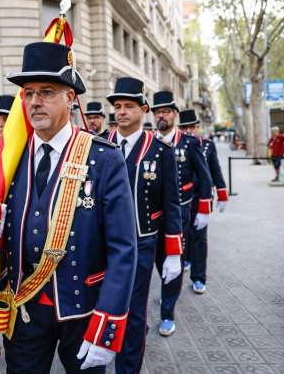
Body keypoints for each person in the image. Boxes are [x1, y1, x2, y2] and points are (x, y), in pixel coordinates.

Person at [0, 41, 137, 373]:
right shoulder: (7, 157)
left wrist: (107, 325)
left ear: (70, 98)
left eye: (46, 91)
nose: (35, 101)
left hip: (83, 310)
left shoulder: (104, 159)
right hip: (24, 306)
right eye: (28, 93)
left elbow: (123, 247)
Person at [104, 77, 182, 373]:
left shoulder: (160, 151)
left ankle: (128, 367)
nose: (121, 112)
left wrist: (173, 251)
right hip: (102, 242)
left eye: (128, 106)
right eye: (118, 106)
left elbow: (171, 203)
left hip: (141, 241)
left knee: (134, 310)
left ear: (143, 109)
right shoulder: (100, 146)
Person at [152, 90, 213, 336]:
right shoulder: (150, 143)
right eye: (157, 112)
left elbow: (205, 177)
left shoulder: (189, 143)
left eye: (166, 111)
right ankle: (168, 293)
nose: (161, 116)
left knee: (175, 258)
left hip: (182, 208)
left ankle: (168, 310)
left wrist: (204, 209)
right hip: (154, 215)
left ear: (175, 115)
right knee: (159, 262)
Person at [179, 109, 228, 294]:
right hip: (181, 198)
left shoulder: (207, 145)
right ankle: (186, 260)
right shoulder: (174, 145)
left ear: (198, 127)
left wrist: (222, 194)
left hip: (201, 197)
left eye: (192, 127)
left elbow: (215, 170)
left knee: (200, 236)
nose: (189, 131)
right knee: (183, 236)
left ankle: (199, 277)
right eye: (185, 127)